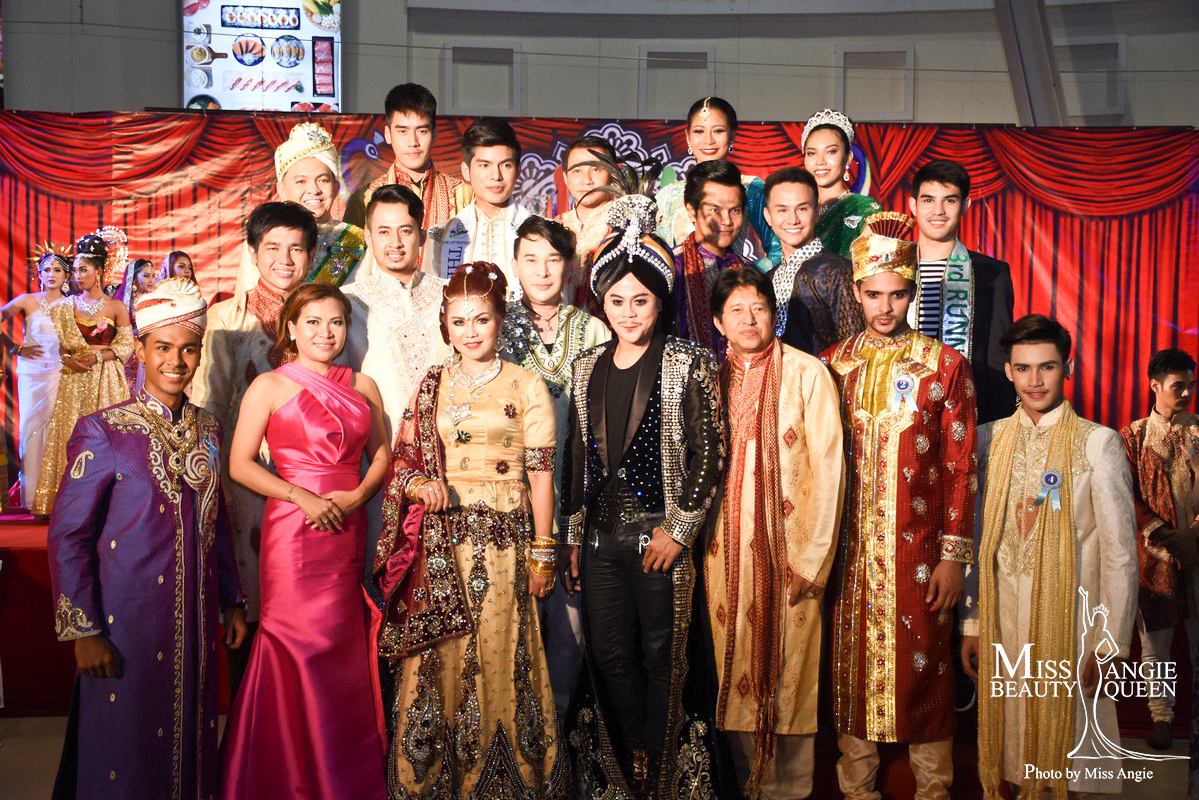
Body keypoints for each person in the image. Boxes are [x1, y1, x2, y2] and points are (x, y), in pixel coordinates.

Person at [46, 277, 247, 800]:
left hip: (196, 621)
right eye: (162, 347)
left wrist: (231, 600)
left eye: (188, 349)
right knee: (125, 751)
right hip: (125, 623)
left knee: (191, 740)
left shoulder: (209, 429)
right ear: (140, 349)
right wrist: (83, 629)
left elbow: (217, 519)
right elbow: (68, 535)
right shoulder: (103, 430)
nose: (176, 361)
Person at [373, 264, 567, 798]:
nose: (470, 332)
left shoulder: (526, 384)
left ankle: (504, 779)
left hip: (505, 546)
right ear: (446, 325)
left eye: (481, 319)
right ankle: (431, 781)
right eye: (459, 322)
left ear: (500, 319)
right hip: (441, 548)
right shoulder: (431, 384)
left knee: (502, 648)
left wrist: (543, 551)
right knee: (438, 656)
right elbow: (404, 462)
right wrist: (418, 487)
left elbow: (541, 476)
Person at [560, 194, 725, 797]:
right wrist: (572, 536)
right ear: (602, 303)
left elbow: (711, 453)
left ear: (660, 302)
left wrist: (678, 530)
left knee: (664, 655)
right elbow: (578, 456)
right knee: (609, 655)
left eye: (641, 301)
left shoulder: (688, 361)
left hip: (659, 534)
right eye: (617, 301)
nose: (629, 313)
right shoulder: (585, 365)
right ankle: (631, 759)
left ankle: (666, 768)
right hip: (601, 538)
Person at [821, 213, 977, 800]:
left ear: (912, 292)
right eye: (874, 294)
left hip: (920, 555)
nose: (885, 307)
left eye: (897, 294)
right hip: (849, 555)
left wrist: (953, 557)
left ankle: (934, 791)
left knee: (927, 678)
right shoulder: (831, 365)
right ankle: (857, 791)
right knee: (851, 675)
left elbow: (962, 468)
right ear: (857, 291)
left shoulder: (946, 366)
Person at [220, 282, 390, 799]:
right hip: (293, 533)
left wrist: (358, 495)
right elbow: (240, 464)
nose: (325, 332)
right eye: (312, 322)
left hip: (346, 528)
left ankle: (337, 774)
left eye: (335, 322)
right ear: (290, 328)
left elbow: (382, 454)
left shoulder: (363, 384)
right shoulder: (269, 386)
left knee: (340, 646)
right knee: (294, 643)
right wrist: (300, 496)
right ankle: (282, 775)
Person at [961, 314, 1138, 798]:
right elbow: (976, 539)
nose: (1034, 381)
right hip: (1004, 623)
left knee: (1073, 764)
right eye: (1023, 368)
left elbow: (1121, 553)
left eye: (1047, 367)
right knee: (1013, 754)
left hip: (1073, 629)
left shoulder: (1098, 443)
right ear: (1007, 370)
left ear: (1068, 368)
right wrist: (972, 624)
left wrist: (1111, 643)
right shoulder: (988, 440)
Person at [706, 267, 844, 799]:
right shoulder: (711, 379)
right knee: (732, 664)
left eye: (759, 308)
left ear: (775, 314)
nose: (749, 319)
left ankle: (789, 791)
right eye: (736, 311)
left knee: (789, 671)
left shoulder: (808, 373)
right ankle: (746, 786)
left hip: (792, 553)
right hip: (724, 558)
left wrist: (812, 559)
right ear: (718, 322)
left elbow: (830, 469)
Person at [191, 201, 315, 688]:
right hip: (244, 485)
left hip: (313, 480)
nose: (285, 259)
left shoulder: (325, 313)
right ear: (252, 251)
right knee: (251, 599)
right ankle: (252, 722)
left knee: (309, 606)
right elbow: (209, 404)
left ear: (312, 254)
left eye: (296, 249)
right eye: (273, 247)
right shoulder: (226, 318)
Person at [500, 215, 611, 714]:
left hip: (576, 500)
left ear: (570, 267)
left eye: (553, 259)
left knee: (570, 635)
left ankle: (560, 743)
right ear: (515, 264)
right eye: (531, 259)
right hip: (507, 502)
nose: (542, 271)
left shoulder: (593, 329)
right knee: (507, 633)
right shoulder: (493, 326)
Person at [1120, 348, 1198, 751]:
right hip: (1154, 553)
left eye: (1190, 385)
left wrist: (1193, 535)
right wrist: (1165, 534)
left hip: (1198, 549)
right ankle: (1161, 718)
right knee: (1155, 644)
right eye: (1177, 386)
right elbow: (1125, 493)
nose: (1185, 393)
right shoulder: (1132, 436)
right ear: (1155, 385)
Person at [33, 232, 134, 517]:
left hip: (105, 379)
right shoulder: (63, 307)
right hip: (73, 378)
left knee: (106, 437)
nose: (76, 276)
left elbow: (126, 345)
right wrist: (68, 359)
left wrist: (97, 356)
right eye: (75, 270)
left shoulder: (116, 306)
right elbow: (56, 347)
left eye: (83, 270)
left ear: (99, 271)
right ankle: (65, 503)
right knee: (70, 434)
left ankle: (109, 502)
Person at [908, 160, 1016, 424]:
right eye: (928, 200)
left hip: (967, 413)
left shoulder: (993, 273)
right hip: (902, 408)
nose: (938, 211)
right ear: (913, 206)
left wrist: (994, 427)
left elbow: (997, 359)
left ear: (965, 206)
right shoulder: (891, 268)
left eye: (950, 201)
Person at [343, 183, 449, 445]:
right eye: (384, 232)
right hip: (376, 452)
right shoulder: (346, 302)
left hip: (449, 449)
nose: (395, 243)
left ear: (421, 236)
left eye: (405, 231)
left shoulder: (450, 296)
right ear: (369, 237)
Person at [232, 123, 366, 296]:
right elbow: (247, 305)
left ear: (335, 187)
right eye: (301, 181)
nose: (314, 190)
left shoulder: (358, 241)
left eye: (323, 180)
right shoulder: (263, 240)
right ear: (281, 190)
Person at [757, 166, 865, 354]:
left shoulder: (838, 272)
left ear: (817, 212)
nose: (793, 220)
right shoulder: (767, 279)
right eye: (782, 210)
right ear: (768, 216)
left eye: (802, 209)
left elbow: (853, 349)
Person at [422, 118, 533, 296]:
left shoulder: (540, 232)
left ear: (518, 170)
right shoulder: (438, 236)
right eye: (484, 165)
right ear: (466, 171)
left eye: (506, 165)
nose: (496, 176)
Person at [654, 96, 772, 260]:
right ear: (687, 137)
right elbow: (658, 256)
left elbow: (777, 250)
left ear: (732, 135)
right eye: (699, 131)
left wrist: (747, 273)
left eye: (718, 131)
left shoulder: (750, 187)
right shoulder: (668, 195)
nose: (708, 140)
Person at [0, 252, 71, 509]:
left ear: (66, 276)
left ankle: (56, 496)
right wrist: (15, 348)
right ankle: (31, 496)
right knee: (30, 428)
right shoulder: (27, 300)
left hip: (62, 372)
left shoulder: (73, 304)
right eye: (47, 270)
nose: (52, 275)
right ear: (38, 274)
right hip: (32, 373)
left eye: (57, 270)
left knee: (57, 430)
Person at [364, 82, 472, 231]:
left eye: (422, 131)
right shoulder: (367, 197)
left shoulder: (463, 194)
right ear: (388, 134)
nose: (413, 142)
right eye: (403, 131)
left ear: (434, 134)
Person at [674, 159, 752, 349]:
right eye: (715, 210)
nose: (726, 221)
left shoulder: (748, 270)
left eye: (734, 210)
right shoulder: (673, 267)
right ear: (692, 211)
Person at [802, 109, 883, 260]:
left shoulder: (865, 209)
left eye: (831, 152)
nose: (820, 161)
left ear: (848, 158)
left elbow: (872, 268)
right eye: (812, 153)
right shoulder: (797, 209)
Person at [557, 135, 618, 286]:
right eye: (577, 171)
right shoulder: (555, 226)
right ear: (566, 178)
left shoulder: (626, 226)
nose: (587, 180)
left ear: (613, 174)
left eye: (596, 169)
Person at [116, 258, 156, 392]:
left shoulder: (155, 303)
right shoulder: (123, 303)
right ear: (133, 279)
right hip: (129, 355)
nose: (151, 280)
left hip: (149, 352)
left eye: (153, 276)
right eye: (146, 276)